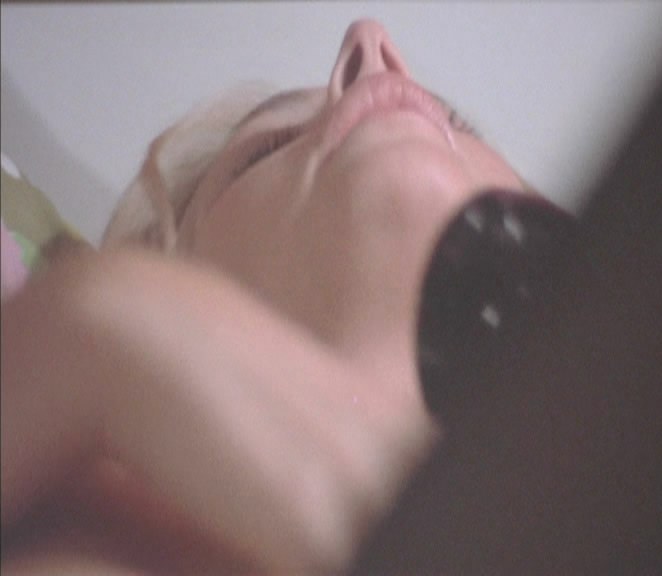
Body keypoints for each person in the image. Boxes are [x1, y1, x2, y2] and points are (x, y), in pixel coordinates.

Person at [1, 19, 565, 574]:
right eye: (269, 148)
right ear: (189, 274)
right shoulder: (102, 528)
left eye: (460, 122)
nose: (371, 44)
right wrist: (105, 320)